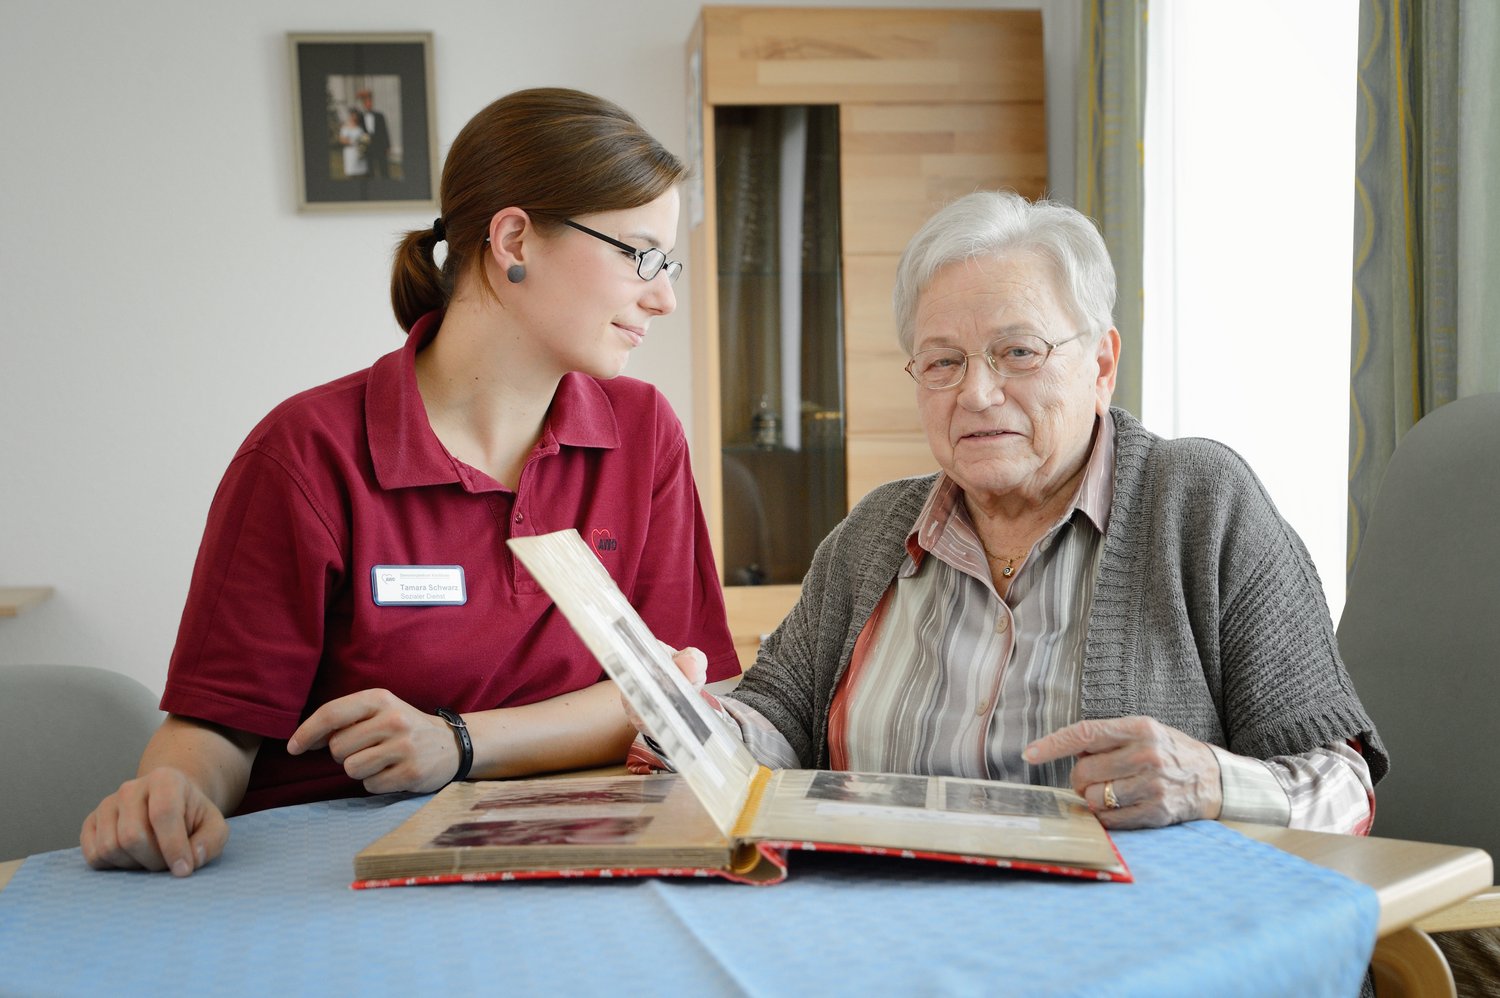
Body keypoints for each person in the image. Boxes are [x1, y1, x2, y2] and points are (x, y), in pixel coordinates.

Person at [80, 87, 738, 877]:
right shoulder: (306, 453)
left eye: (666, 264)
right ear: (514, 238)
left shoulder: (643, 433)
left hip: (581, 854)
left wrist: (456, 742)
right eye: (640, 256)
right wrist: (171, 790)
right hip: (336, 870)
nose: (663, 297)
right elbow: (218, 731)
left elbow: (681, 692)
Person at [640, 190, 1387, 835]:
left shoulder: (1200, 503)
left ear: (1100, 364)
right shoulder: (872, 536)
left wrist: (1213, 785)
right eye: (942, 362)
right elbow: (776, 724)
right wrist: (691, 720)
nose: (977, 393)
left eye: (1017, 353)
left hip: (1139, 943)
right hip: (890, 934)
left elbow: (1343, 787)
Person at [356, 88, 391, 179]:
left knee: (383, 166)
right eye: (366, 103)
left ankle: (385, 181)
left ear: (372, 103)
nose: (368, 104)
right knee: (370, 167)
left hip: (380, 144)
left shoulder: (380, 116)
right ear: (363, 105)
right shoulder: (360, 117)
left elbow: (385, 131)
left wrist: (387, 146)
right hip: (368, 145)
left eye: (370, 102)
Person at [338, 108, 368, 179]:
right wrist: (353, 142)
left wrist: (363, 143)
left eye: (356, 116)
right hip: (350, 152)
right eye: (353, 116)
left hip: (360, 152)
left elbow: (364, 138)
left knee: (362, 174)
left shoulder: (360, 128)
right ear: (350, 116)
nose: (354, 117)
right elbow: (342, 140)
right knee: (351, 174)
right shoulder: (345, 127)